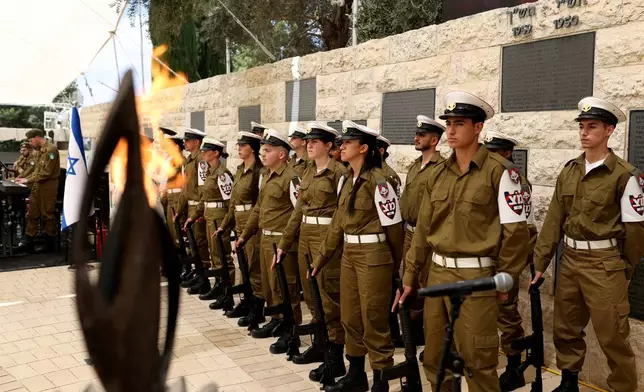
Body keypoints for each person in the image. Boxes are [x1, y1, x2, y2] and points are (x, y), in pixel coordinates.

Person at [396, 92, 530, 392]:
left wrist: (504, 279)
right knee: (435, 358)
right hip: (437, 274)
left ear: (478, 127)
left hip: (476, 278)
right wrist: (409, 275)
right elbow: (423, 231)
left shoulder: (501, 172)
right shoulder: (438, 174)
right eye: (449, 124)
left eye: (459, 124)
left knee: (477, 361)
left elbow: (516, 235)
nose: (451, 131)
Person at [531, 97, 644, 392]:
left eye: (592, 126)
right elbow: (554, 220)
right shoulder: (570, 171)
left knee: (613, 336)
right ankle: (568, 382)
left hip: (604, 263)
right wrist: (540, 264)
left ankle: (623, 388)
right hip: (570, 260)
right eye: (581, 126)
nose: (584, 132)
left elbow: (636, 232)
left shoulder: (625, 175)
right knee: (566, 327)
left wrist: (622, 269)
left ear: (609, 130)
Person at [312, 121, 404, 392]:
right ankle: (356, 375)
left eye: (347, 143)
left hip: (374, 256)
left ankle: (381, 379)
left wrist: (396, 269)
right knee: (350, 317)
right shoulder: (346, 179)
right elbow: (337, 224)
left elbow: (395, 230)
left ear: (363, 148)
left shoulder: (380, 181)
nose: (341, 147)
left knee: (373, 318)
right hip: (349, 253)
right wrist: (321, 259)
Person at [276, 122, 348, 380]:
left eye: (315, 141)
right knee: (312, 298)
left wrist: (327, 248)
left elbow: (341, 216)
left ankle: (336, 359)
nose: (309, 144)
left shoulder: (339, 173)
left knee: (329, 302)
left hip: (326, 240)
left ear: (329, 146)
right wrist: (284, 243)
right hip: (305, 237)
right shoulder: (306, 171)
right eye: (308, 141)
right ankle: (320, 348)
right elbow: (298, 211)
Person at [237, 129, 302, 354]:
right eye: (262, 150)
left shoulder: (291, 177)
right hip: (265, 238)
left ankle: (291, 332)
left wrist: (285, 244)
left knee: (286, 289)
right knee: (270, 287)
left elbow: (298, 213)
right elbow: (258, 209)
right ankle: (277, 319)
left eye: (268, 150)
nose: (263, 154)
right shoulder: (266, 175)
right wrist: (245, 234)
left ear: (282, 155)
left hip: (281, 242)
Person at [483, 130, 538, 391]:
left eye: (495, 152)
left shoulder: (515, 181)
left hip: (504, 257)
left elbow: (523, 229)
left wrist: (509, 267)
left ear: (506, 153)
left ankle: (514, 366)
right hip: (484, 256)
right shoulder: (483, 176)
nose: (489, 157)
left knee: (507, 312)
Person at [398, 115, 446, 349]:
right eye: (417, 134)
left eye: (422, 135)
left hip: (428, 236)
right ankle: (413, 334)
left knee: (427, 285)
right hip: (409, 232)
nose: (417, 138)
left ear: (434, 140)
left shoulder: (442, 168)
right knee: (409, 282)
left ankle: (432, 341)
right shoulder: (415, 166)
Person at [217, 131, 265, 323]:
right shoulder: (239, 170)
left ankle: (257, 308)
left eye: (242, 145)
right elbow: (234, 202)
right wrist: (224, 225)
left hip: (252, 225)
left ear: (252, 148)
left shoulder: (259, 172)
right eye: (238, 145)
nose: (239, 148)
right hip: (239, 221)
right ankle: (247, 301)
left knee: (254, 269)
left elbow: (259, 204)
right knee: (243, 266)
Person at [186, 138, 235, 309]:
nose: (204, 153)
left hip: (219, 218)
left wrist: (228, 224)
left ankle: (227, 293)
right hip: (209, 217)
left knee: (223, 257)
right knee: (215, 257)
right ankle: (219, 287)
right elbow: (205, 198)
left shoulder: (222, 174)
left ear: (216, 153)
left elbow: (230, 203)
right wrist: (194, 215)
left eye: (208, 150)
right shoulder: (210, 172)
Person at [176, 128, 211, 295]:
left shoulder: (201, 161)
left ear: (196, 142)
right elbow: (185, 189)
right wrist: (179, 209)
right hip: (190, 207)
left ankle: (204, 280)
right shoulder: (188, 161)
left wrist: (201, 211)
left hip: (198, 207)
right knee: (194, 244)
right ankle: (198, 274)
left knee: (201, 245)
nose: (185, 142)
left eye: (188, 140)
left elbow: (204, 188)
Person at [15, 129, 60, 253]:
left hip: (48, 186)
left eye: (30, 140)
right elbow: (37, 171)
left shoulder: (51, 150)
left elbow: (46, 172)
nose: (30, 143)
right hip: (38, 185)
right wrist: (26, 179)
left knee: (47, 214)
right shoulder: (40, 151)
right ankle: (28, 242)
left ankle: (50, 244)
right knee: (32, 213)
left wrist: (27, 180)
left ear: (37, 137)